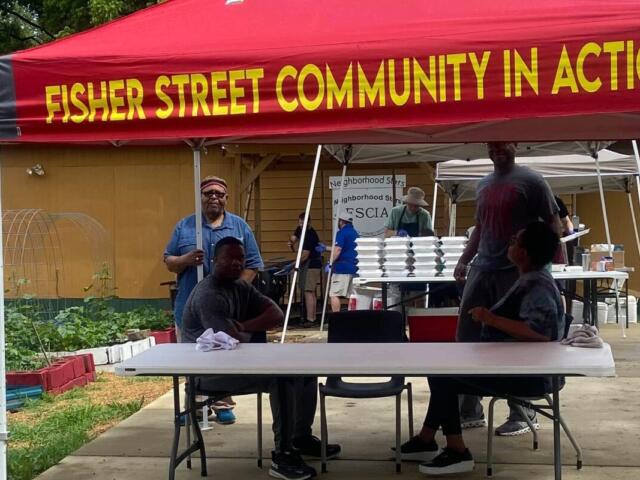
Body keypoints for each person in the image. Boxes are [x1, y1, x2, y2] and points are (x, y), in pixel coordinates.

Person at [400, 222, 565, 475]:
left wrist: (491, 318)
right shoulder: (531, 279)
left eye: (514, 241)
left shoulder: (536, 285)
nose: (508, 243)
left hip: (529, 375)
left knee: (443, 378)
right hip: (516, 365)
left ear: (525, 253)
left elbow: (540, 334)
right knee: (440, 371)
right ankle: (425, 439)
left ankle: (457, 451)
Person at [182, 237, 340, 480]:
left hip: (237, 364)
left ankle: (300, 438)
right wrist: (245, 330)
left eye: (241, 258)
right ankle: (283, 455)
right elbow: (230, 336)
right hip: (208, 373)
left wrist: (245, 325)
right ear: (215, 261)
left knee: (305, 371)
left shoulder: (241, 286)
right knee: (281, 379)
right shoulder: (208, 294)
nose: (236, 264)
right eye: (229, 258)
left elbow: (275, 313)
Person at [453, 142, 563, 436]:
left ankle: (522, 410)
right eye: (492, 145)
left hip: (515, 269)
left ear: (516, 145)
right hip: (483, 267)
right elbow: (480, 227)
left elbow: (552, 222)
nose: (497, 149)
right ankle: (469, 409)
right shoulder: (483, 184)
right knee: (467, 334)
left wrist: (550, 263)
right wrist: (465, 259)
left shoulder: (532, 180)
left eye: (503, 144)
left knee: (513, 336)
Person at [164, 175, 263, 425]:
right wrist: (186, 259)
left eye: (219, 194)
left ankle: (222, 403)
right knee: (192, 357)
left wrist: (235, 290)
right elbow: (169, 261)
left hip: (226, 310)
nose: (214, 198)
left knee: (224, 356)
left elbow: (253, 264)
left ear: (226, 198)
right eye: (209, 194)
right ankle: (195, 406)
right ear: (201, 198)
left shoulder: (239, 227)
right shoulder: (185, 227)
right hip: (189, 307)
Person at [289, 213, 323, 328]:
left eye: (303, 222)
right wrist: (291, 242)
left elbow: (305, 255)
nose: (301, 224)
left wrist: (295, 264)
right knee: (309, 291)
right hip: (307, 264)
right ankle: (311, 317)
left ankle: (311, 319)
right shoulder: (300, 229)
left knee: (309, 291)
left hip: (312, 264)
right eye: (299, 222)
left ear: (308, 222)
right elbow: (294, 237)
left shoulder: (310, 234)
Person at [329, 215, 359, 313]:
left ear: (341, 221)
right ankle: (351, 319)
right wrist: (326, 248)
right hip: (354, 268)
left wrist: (330, 263)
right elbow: (346, 247)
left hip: (342, 268)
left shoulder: (341, 233)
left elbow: (338, 249)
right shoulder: (355, 233)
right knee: (351, 296)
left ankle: (337, 319)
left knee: (334, 294)